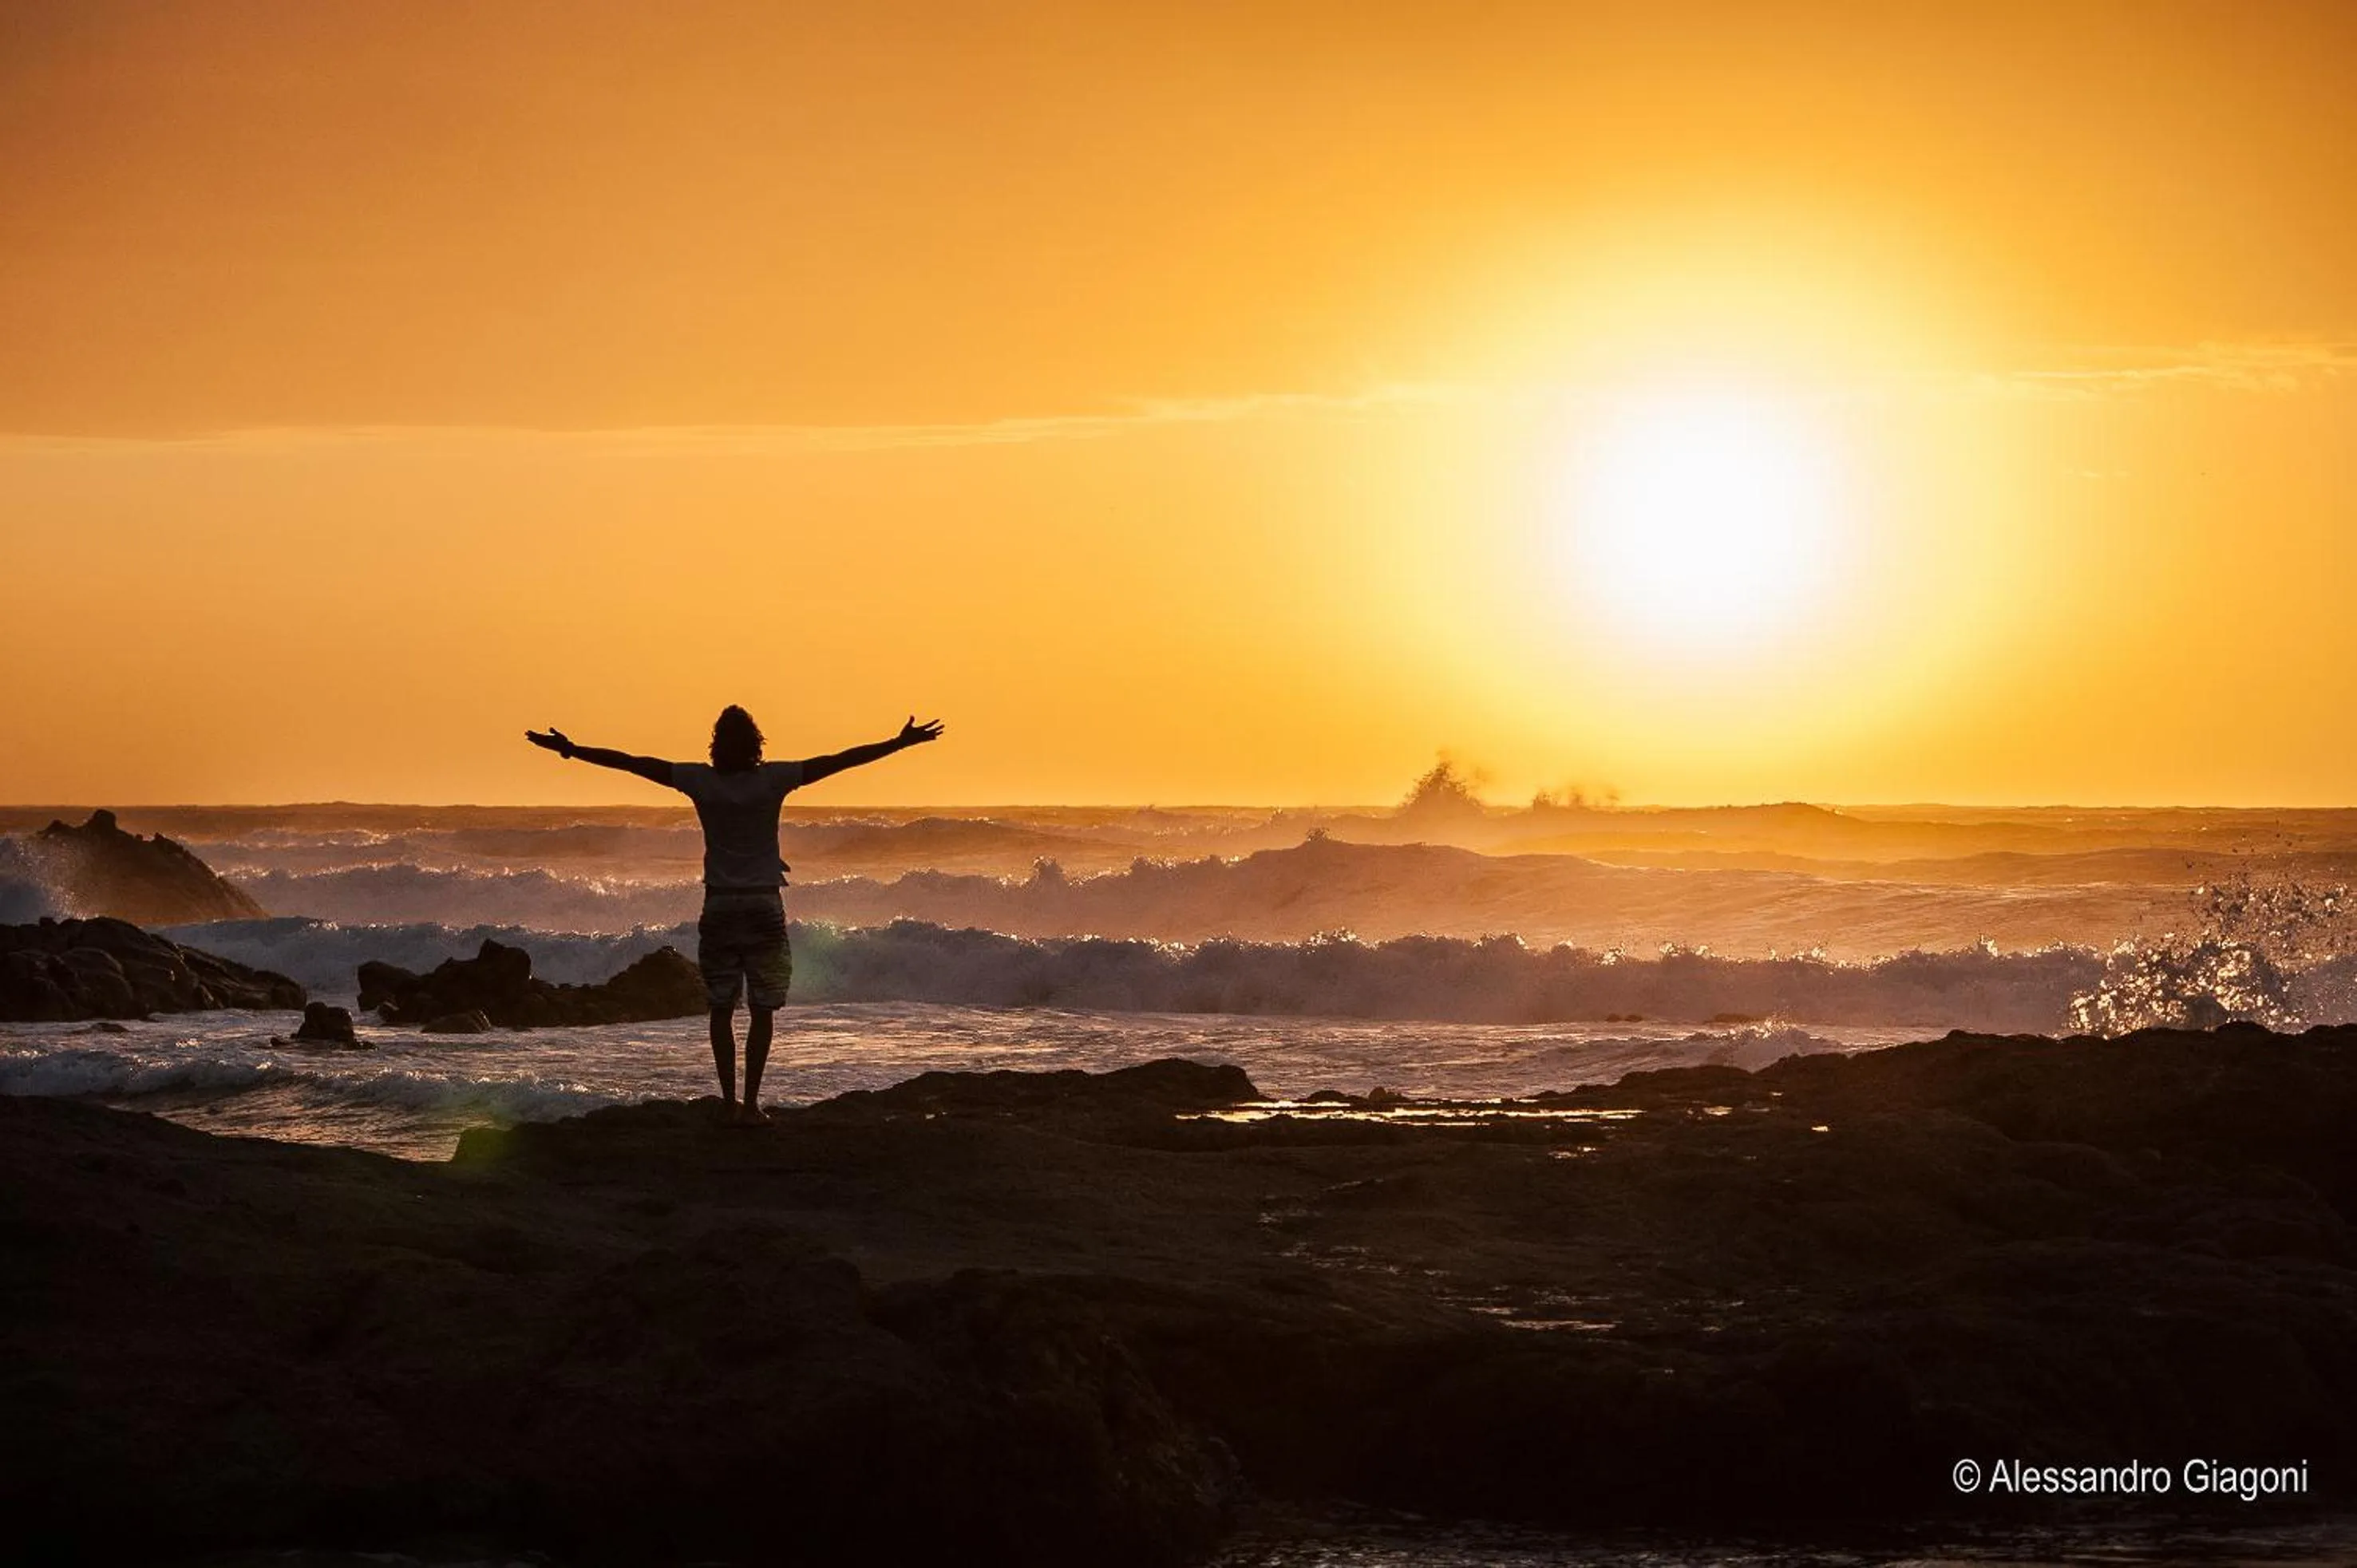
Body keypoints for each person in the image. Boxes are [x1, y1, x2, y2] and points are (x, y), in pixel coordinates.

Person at [524, 707, 943, 1124]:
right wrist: (897, 744)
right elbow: (838, 762)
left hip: (721, 904)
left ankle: (727, 1105)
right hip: (763, 906)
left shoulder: (700, 781)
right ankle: (751, 1106)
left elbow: (634, 764)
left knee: (721, 1009)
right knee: (763, 1010)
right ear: (756, 743)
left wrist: (573, 750)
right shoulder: (773, 779)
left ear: (716, 744)